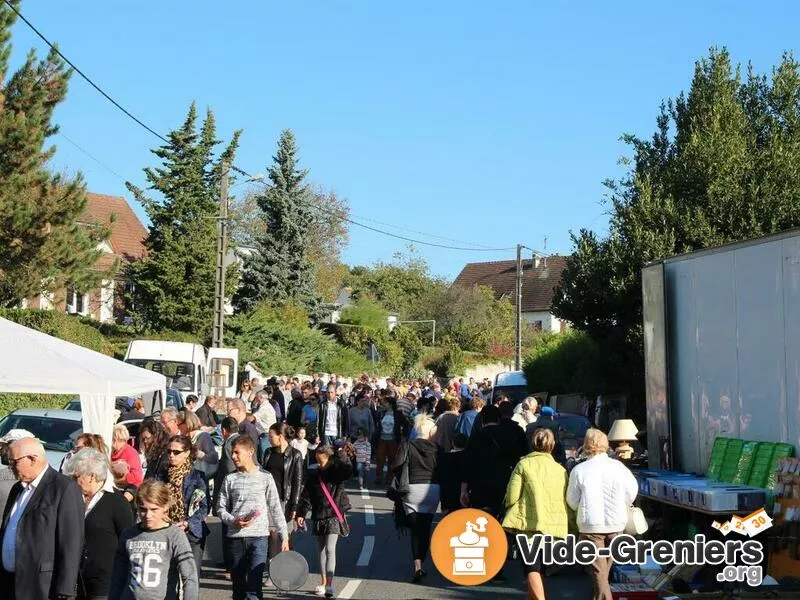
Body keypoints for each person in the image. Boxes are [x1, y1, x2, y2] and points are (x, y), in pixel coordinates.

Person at [0, 437, 84, 599]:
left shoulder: (63, 488)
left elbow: (71, 543)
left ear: (32, 459)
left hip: (41, 587)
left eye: (14, 462)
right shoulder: (18, 489)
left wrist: (66, 591)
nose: (10, 467)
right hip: (9, 583)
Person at [567, 429, 638, 600]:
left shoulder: (579, 470)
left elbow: (572, 500)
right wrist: (622, 504)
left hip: (591, 525)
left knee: (599, 571)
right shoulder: (619, 467)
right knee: (602, 571)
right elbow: (632, 491)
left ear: (586, 445)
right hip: (617, 524)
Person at [217, 435, 289, 600]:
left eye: (237, 452)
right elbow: (220, 508)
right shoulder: (230, 478)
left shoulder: (265, 477)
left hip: (258, 538)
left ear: (250, 451)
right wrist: (233, 520)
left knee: (254, 589)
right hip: (235, 539)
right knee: (239, 589)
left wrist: (284, 536)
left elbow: (276, 508)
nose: (233, 456)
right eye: (232, 453)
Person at [503, 428, 570, 600]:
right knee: (540, 570)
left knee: (531, 568)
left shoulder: (523, 465)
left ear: (533, 443)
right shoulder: (560, 470)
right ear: (552, 445)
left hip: (529, 525)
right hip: (554, 526)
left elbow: (512, 497)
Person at [62, 447, 135, 600]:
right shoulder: (74, 498)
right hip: (76, 582)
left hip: (104, 584)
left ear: (91, 476)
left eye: (76, 477)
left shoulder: (117, 502)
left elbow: (130, 542)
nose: (73, 482)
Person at [108, 480, 199, 599]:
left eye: (154, 509)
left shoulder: (175, 535)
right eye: (143, 510)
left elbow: (190, 577)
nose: (148, 515)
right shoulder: (128, 534)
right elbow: (117, 576)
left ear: (165, 507)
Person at [296, 444, 353, 599]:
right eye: (317, 457)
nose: (318, 459)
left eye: (320, 457)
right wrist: (301, 513)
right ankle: (323, 582)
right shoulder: (313, 475)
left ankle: (329, 584)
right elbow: (306, 496)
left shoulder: (336, 473)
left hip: (333, 514)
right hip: (319, 516)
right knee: (321, 550)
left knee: (329, 549)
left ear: (328, 456)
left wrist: (340, 452)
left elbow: (347, 468)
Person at [393, 414, 440, 583]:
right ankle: (423, 562)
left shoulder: (408, 445)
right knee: (425, 528)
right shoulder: (437, 449)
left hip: (411, 489)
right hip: (432, 490)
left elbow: (396, 465)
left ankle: (417, 565)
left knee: (415, 530)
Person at [159, 435, 209, 580]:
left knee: (191, 578)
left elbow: (204, 506)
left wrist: (188, 523)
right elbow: (153, 501)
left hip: (191, 532)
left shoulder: (198, 477)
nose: (171, 455)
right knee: (168, 578)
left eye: (176, 452)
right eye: (169, 452)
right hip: (167, 531)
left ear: (187, 453)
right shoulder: (162, 476)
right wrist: (162, 515)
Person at [260, 423, 304, 580]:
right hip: (268, 499)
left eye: (271, 436)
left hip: (285, 500)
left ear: (281, 436)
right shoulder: (267, 453)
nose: (269, 439)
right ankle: (273, 572)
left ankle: (285, 569)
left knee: (286, 537)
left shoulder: (296, 455)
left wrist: (294, 505)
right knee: (272, 535)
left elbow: (297, 482)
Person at [375, 398, 409, 485]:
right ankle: (378, 477)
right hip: (382, 439)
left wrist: (403, 435)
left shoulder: (398, 414)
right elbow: (377, 425)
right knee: (380, 459)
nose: (383, 405)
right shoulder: (381, 413)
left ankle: (390, 478)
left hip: (393, 440)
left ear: (390, 404)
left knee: (392, 460)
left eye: (385, 403)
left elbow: (406, 424)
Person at [178, 409, 219, 480]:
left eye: (179, 424)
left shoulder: (203, 436)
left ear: (186, 424)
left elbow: (213, 458)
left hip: (200, 478)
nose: (178, 427)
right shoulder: (185, 437)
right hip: (188, 477)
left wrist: (200, 455)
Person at [438, 433, 468, 515]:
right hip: (463, 496)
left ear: (453, 443)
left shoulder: (444, 458)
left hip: (448, 496)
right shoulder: (467, 458)